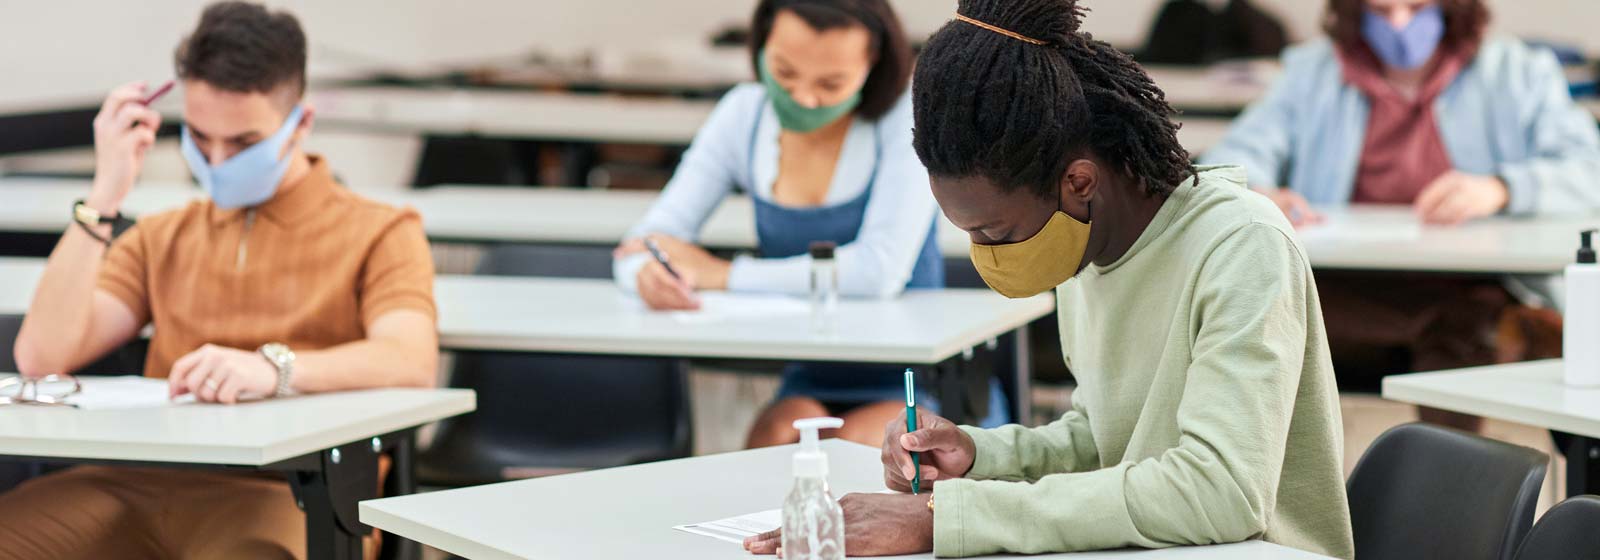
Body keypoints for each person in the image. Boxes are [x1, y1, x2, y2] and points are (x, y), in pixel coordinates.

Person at [744, 0, 1353, 557]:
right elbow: (1104, 442)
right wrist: (980, 456)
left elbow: (1219, 490)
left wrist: (942, 517)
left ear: (1079, 183)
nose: (986, 256)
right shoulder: (1082, 245)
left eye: (997, 234)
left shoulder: (1242, 246)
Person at [3, 2, 437, 558]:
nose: (215, 158)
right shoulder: (162, 236)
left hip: (288, 493)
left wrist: (274, 368)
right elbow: (42, 356)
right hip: (132, 482)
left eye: (244, 144)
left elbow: (409, 359)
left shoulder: (380, 231)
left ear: (300, 123)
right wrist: (105, 193)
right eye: (201, 137)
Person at [612, 0, 1007, 448]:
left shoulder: (906, 115)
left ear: (872, 65)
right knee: (778, 440)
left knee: (864, 447)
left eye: (831, 83)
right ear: (760, 47)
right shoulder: (744, 114)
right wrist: (646, 274)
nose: (803, 98)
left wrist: (724, 274)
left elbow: (878, 270)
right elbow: (641, 244)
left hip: (920, 375)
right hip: (811, 372)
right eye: (784, 72)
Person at [1200, 0, 1600, 430]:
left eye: (1415, 7)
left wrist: (1502, 187)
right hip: (1346, 289)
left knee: (1462, 328)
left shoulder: (1516, 71)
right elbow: (1231, 160)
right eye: (1382, 11)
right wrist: (1258, 190)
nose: (1400, 25)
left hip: (1472, 279)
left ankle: (1442, 487)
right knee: (1270, 303)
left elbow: (1587, 167)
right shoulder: (1311, 72)